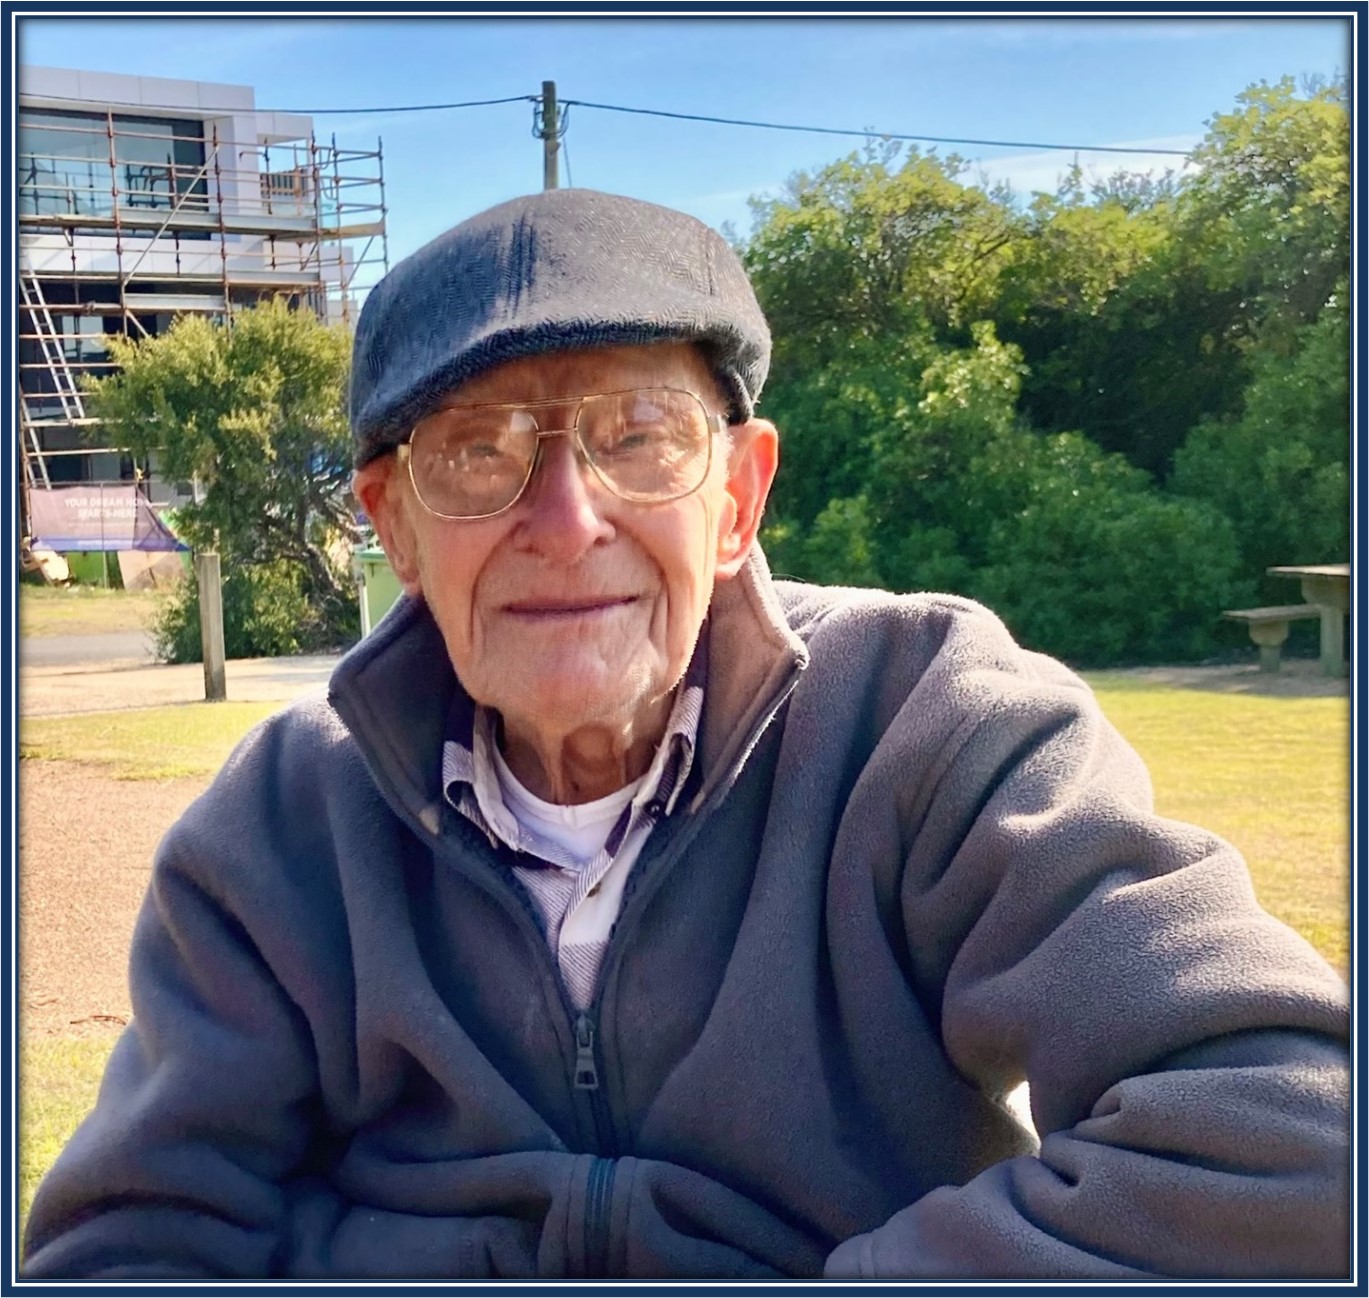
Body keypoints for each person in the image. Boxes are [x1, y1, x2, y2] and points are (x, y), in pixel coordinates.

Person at [23, 189, 1349, 1281]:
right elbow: (128, 1244)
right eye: (478, 453)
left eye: (635, 436)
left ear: (737, 497)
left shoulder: (931, 718)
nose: (564, 516)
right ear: (396, 527)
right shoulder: (280, 823)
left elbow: (1294, 1132)